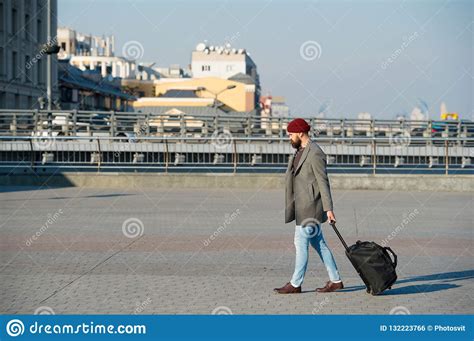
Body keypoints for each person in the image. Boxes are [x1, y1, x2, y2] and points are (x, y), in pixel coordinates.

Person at [274, 118, 344, 294]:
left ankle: (295, 284)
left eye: (290, 134)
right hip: (301, 205)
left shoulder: (315, 152)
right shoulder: (299, 150)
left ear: (300, 133)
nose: (289, 137)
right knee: (319, 244)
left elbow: (323, 181)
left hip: (310, 207)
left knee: (300, 242)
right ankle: (336, 280)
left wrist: (329, 209)